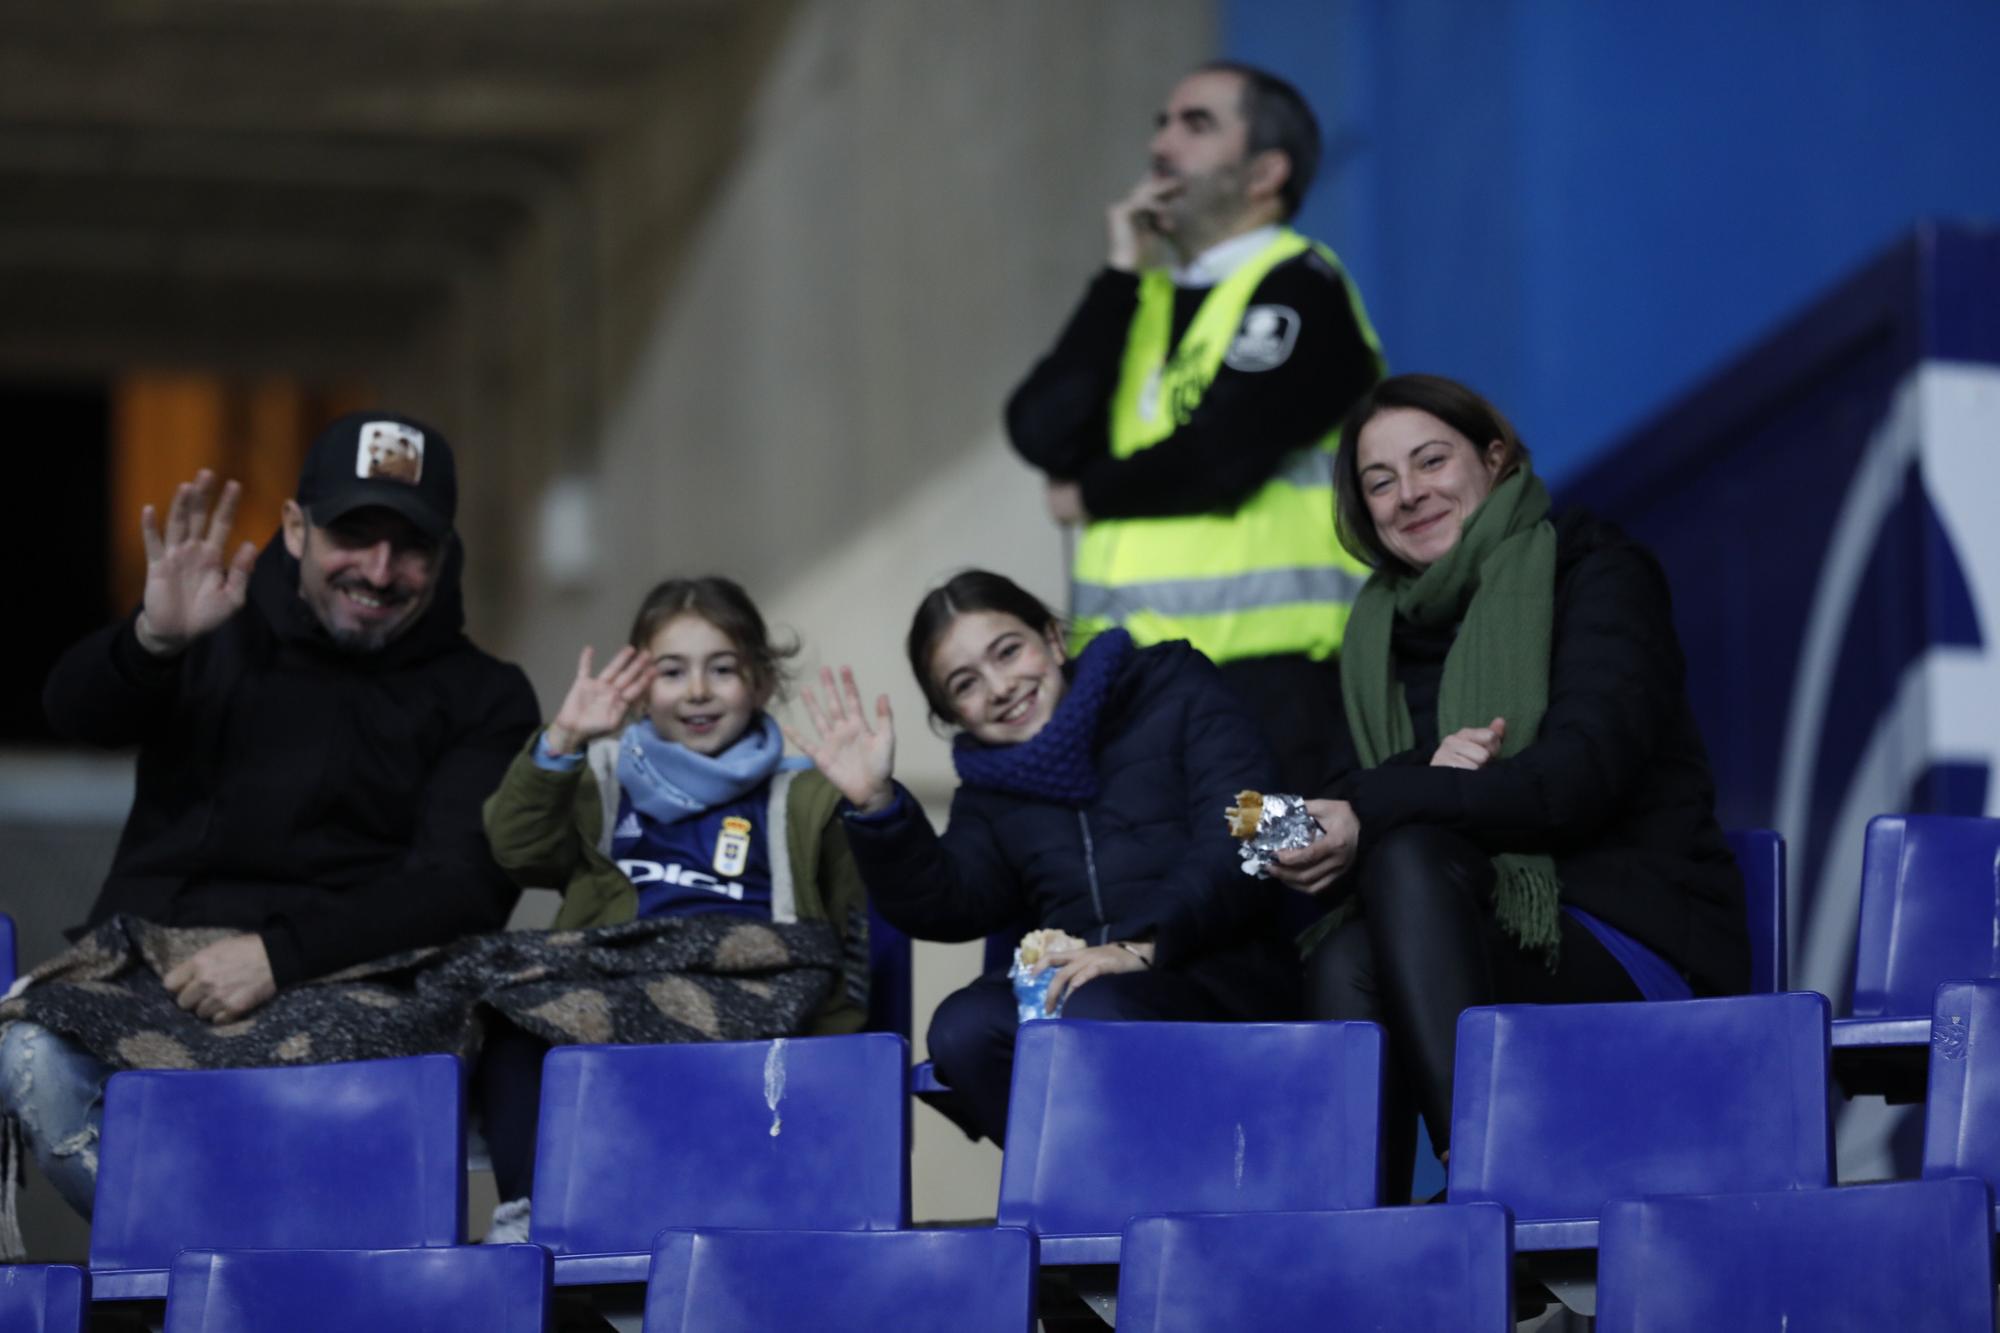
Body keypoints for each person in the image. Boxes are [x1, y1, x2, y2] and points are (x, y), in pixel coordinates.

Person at [1, 412, 539, 1220]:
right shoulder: (212, 629)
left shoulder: (485, 693)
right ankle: (202, 1263)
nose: (380, 569)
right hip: (156, 976)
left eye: (411, 545)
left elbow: (463, 885)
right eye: (353, 534)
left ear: (443, 552)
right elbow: (73, 712)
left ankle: (248, 1281)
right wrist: (152, 639)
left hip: (360, 995)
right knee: (35, 1059)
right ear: (296, 528)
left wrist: (278, 958)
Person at [1269, 374, 1750, 1199]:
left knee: (1410, 855)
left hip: (1632, 935)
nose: (1409, 494)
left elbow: (1573, 784)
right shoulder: (1368, 637)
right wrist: (1408, 783)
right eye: (1380, 482)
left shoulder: (1595, 570)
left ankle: (1491, 1185)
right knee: (1351, 946)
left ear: (1494, 458)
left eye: (1431, 461)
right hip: (1470, 941)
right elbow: (1316, 804)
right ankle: (1355, 1230)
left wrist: (1390, 801)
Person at [790, 571, 1297, 1145]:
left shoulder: (1176, 685)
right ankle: (1079, 1199)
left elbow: (1254, 832)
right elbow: (949, 904)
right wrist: (879, 808)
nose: (1000, 686)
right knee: (963, 1028)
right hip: (1086, 989)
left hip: (1226, 974)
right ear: (954, 715)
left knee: (1097, 1013)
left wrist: (1146, 944)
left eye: (1008, 652)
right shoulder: (988, 787)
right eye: (966, 683)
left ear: (1054, 639)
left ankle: (1168, 1195)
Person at [1006, 60, 1385, 791]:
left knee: (1284, 873)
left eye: (1196, 124)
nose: (1162, 143)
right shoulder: (1141, 299)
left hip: (1273, 684)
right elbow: (1038, 431)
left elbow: (1222, 454)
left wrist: (1089, 493)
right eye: (1161, 123)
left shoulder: (1301, 283)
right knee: (1173, 896)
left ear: (1265, 171)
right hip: (1130, 690)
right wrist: (1119, 273)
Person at [474, 576, 870, 1241]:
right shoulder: (598, 776)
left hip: (747, 1004)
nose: (697, 691)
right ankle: (530, 1210)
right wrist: (563, 738)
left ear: (764, 681)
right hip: (610, 993)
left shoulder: (805, 795)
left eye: (723, 668)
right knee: (508, 1014)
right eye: (672, 670)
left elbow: (843, 947)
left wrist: (833, 1077)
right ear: (636, 687)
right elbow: (514, 846)